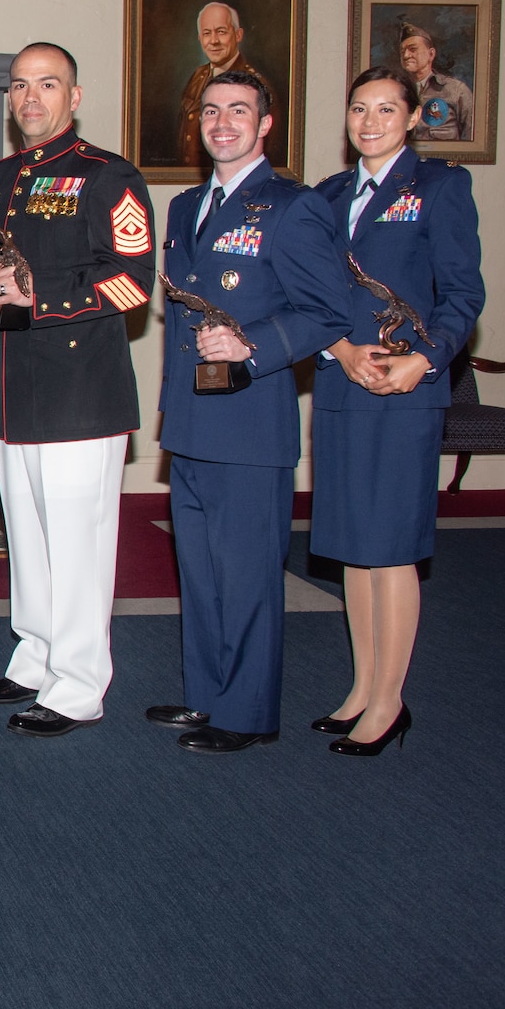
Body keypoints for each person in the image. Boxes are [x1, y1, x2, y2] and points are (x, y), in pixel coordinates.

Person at [147, 69, 351, 754]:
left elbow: (330, 311)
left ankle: (249, 711)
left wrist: (252, 344)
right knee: (200, 574)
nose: (223, 121)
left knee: (248, 574)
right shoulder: (184, 207)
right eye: (210, 109)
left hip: (251, 423)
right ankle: (208, 695)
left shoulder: (292, 207)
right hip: (193, 420)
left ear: (266, 124)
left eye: (239, 110)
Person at [0, 43, 154, 738]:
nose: (31, 98)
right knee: (28, 535)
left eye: (47, 84)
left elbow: (132, 280)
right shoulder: (0, 176)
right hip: (16, 385)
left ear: (74, 97)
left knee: (77, 544)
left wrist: (41, 294)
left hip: (82, 389)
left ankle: (79, 684)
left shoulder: (110, 175)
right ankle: (37, 652)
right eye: (20, 85)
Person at [309, 68, 484, 755]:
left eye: (387, 108)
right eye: (359, 107)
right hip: (344, 382)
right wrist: (340, 348)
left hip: (405, 390)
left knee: (392, 547)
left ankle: (390, 700)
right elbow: (312, 293)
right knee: (354, 543)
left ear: (412, 117)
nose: (371, 120)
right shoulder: (327, 196)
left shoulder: (439, 188)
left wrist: (426, 359)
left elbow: (463, 292)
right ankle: (360, 685)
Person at [176, 3, 276, 169]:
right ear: (200, 38)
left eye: (221, 32)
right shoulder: (197, 78)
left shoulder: (256, 88)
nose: (214, 41)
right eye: (207, 33)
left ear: (238, 35)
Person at [397, 22, 475, 142]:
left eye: (413, 49)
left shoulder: (456, 90)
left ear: (431, 54)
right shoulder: (394, 91)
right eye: (402, 52)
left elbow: (472, 137)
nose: (406, 55)